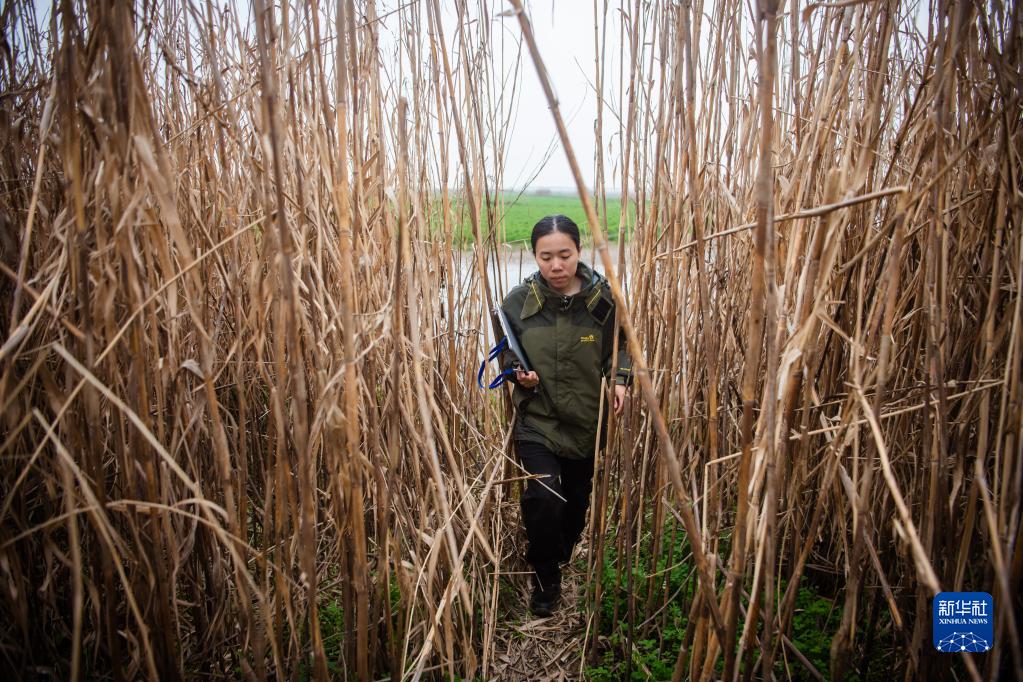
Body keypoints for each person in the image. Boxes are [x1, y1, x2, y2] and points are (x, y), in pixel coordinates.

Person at [498, 214, 633, 617]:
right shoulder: (517, 303)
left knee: (575, 505)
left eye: (564, 255)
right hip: (538, 419)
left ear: (579, 251)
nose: (555, 266)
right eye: (545, 257)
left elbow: (621, 348)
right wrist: (518, 374)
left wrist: (621, 380)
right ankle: (545, 578)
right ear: (533, 256)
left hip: (588, 422)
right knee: (544, 494)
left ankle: (557, 551)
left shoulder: (605, 302)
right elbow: (505, 353)